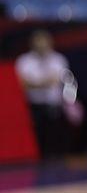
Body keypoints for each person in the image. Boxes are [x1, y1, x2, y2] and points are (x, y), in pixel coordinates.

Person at [15, 30, 70, 158]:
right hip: (33, 105)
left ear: (50, 42)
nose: (42, 45)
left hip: (53, 104)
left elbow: (58, 80)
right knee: (35, 137)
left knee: (53, 138)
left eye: (44, 41)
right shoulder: (24, 61)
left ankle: (55, 159)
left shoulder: (58, 59)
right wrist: (44, 83)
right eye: (38, 41)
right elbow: (22, 83)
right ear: (32, 43)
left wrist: (36, 83)